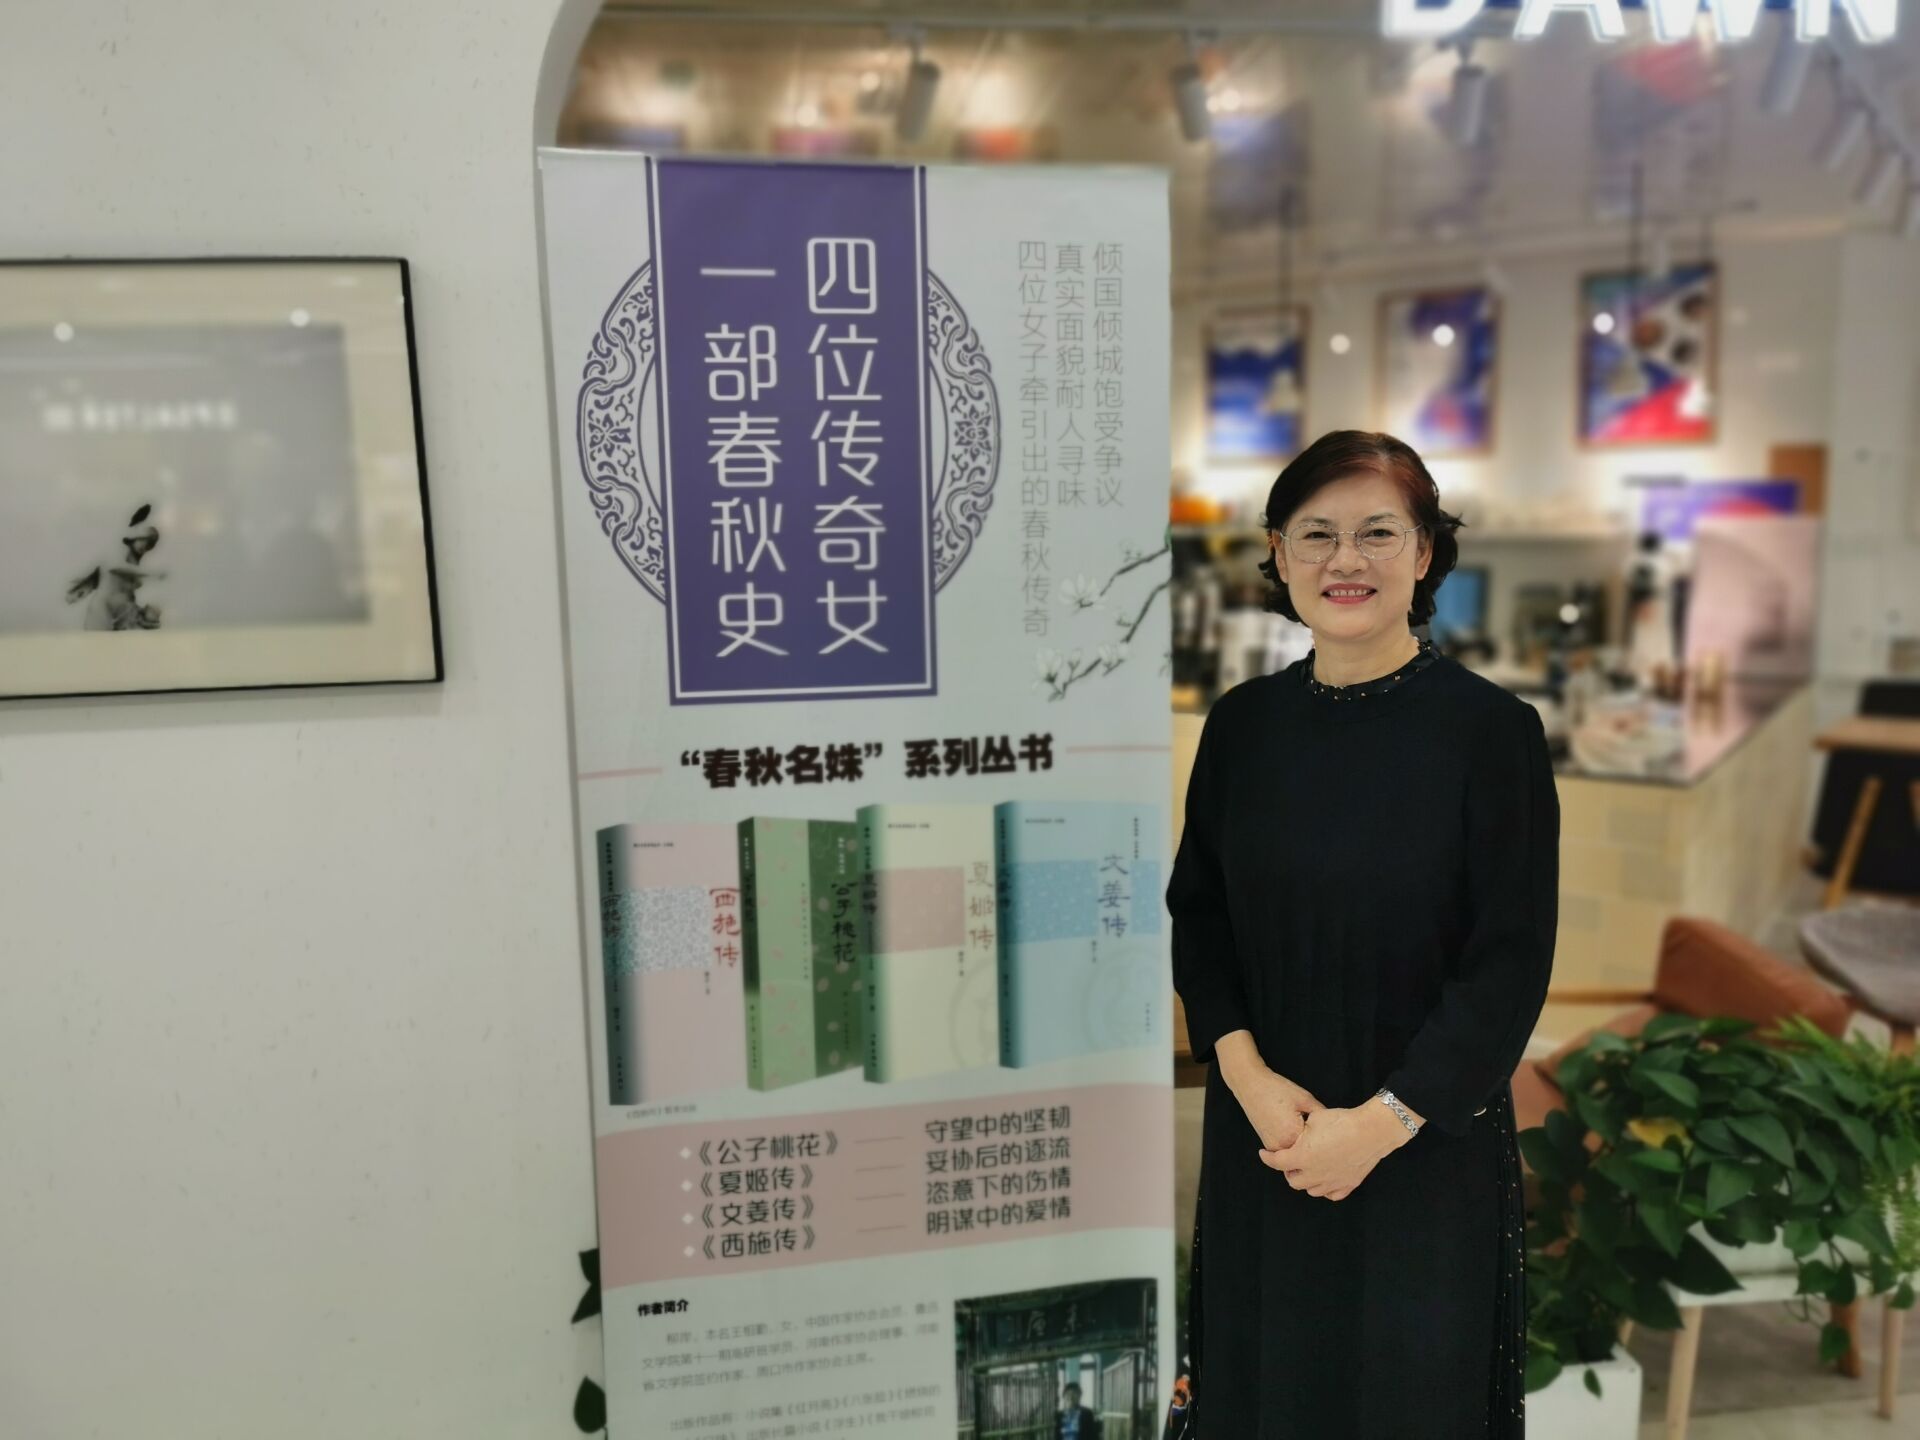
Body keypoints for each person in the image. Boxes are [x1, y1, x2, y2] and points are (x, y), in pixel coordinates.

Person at [1166, 430, 1557, 1437]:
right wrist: (1247, 1077)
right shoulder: (1242, 726)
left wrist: (1377, 1128)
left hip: (1422, 1142)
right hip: (1268, 1133)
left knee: (1407, 1397)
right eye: (1318, 534)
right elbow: (1199, 916)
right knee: (1260, 1387)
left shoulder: (1492, 733)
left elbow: (1508, 964)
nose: (1347, 560)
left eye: (1379, 533)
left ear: (1424, 552)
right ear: (1279, 551)